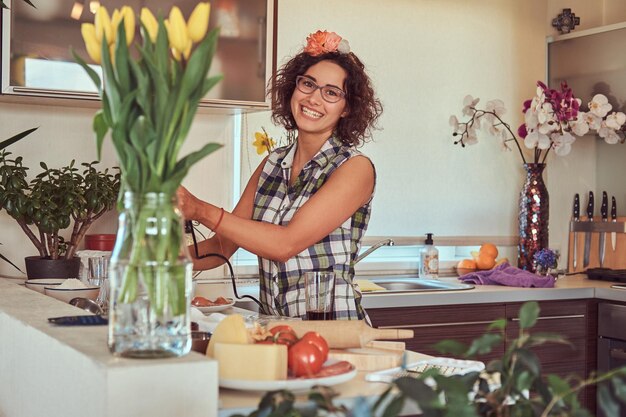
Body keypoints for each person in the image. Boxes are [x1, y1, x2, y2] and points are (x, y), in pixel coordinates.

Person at [177, 30, 383, 320]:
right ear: (293, 87)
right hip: (279, 330)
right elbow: (222, 247)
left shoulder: (354, 168)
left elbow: (285, 244)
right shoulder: (271, 164)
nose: (314, 98)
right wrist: (158, 257)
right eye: (308, 84)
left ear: (347, 108)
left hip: (335, 333)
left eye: (331, 92)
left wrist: (199, 210)